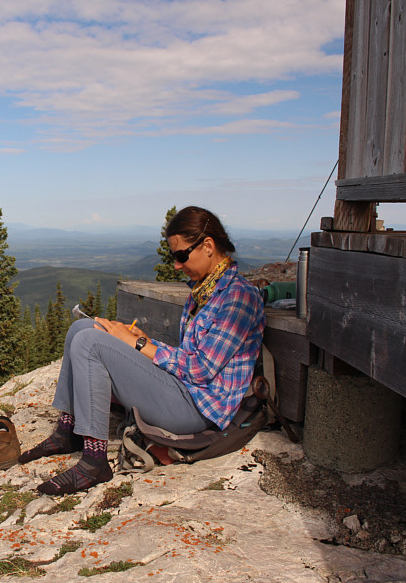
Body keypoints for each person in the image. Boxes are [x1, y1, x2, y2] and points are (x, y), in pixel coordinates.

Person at [20, 206, 266, 495]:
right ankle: (68, 430)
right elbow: (190, 357)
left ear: (208, 246)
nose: (176, 265)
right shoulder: (203, 293)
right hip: (184, 392)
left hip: (199, 410)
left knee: (90, 343)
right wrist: (144, 340)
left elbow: (202, 370)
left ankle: (94, 462)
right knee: (82, 330)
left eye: (181, 255)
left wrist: (137, 344)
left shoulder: (239, 297)